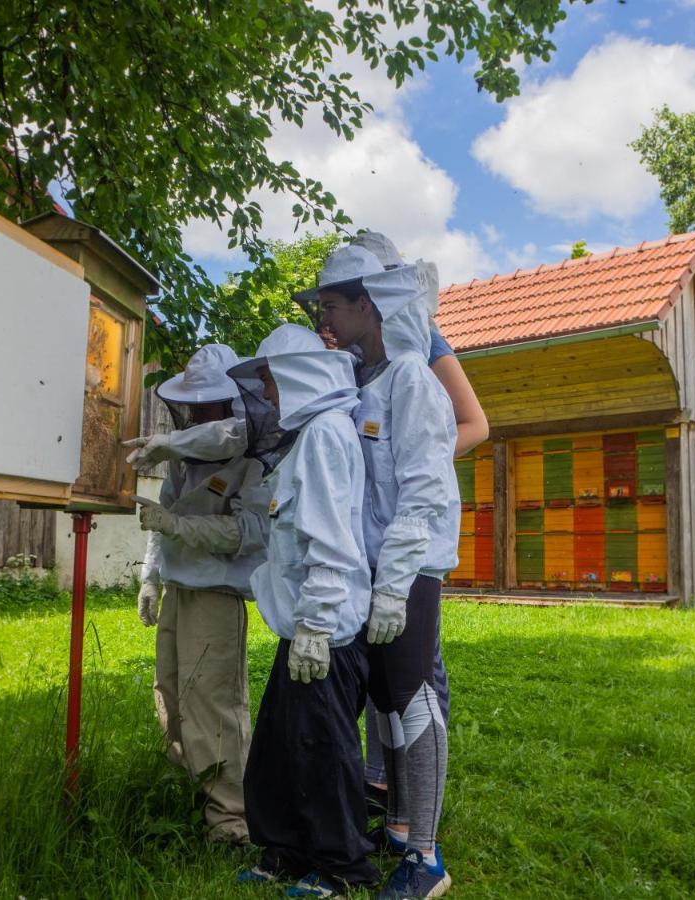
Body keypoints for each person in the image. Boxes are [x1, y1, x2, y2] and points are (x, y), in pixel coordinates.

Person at [303, 243, 459, 898]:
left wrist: (395, 583)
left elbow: (422, 491)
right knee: (385, 708)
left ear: (369, 305)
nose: (325, 320)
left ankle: (425, 860)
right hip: (374, 567)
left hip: (411, 567)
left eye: (333, 306)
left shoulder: (411, 381)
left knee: (411, 699)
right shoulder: (358, 385)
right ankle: (397, 830)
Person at [229, 324, 379, 898]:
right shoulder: (311, 436)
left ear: (296, 375)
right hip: (304, 625)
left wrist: (316, 623)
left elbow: (332, 540)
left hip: (327, 630)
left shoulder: (322, 435)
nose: (266, 394)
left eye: (269, 379)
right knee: (280, 746)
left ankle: (343, 869)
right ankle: (287, 852)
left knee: (323, 748)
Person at [128, 344, 269, 845]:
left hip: (217, 594)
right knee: (170, 692)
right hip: (179, 591)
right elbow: (158, 519)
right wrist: (151, 576)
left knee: (215, 703)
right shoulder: (182, 457)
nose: (200, 413)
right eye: (195, 405)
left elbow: (248, 533)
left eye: (211, 404)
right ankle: (194, 792)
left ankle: (231, 820)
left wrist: (178, 525)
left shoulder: (252, 456)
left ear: (233, 403)